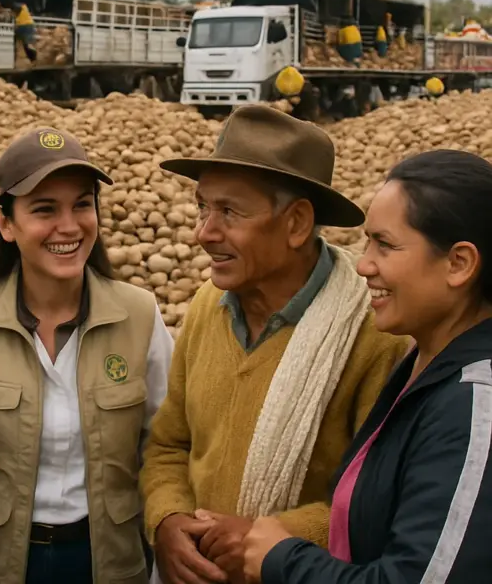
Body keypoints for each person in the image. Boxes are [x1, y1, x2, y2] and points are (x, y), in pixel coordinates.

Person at [140, 105, 408, 584]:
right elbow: (169, 445)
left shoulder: (372, 337)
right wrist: (168, 519)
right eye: (204, 206)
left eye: (229, 211)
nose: (205, 232)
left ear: (297, 224)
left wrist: (275, 538)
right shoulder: (207, 307)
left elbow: (379, 502)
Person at [0, 126, 175, 584]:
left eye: (82, 204)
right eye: (45, 209)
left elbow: (165, 447)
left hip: (108, 562)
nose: (68, 226)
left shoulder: (140, 315)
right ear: (5, 223)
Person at [242, 149, 492, 584]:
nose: (363, 265)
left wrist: (282, 558)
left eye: (386, 245)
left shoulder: (473, 402)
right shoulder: (422, 363)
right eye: (366, 242)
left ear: (459, 263)